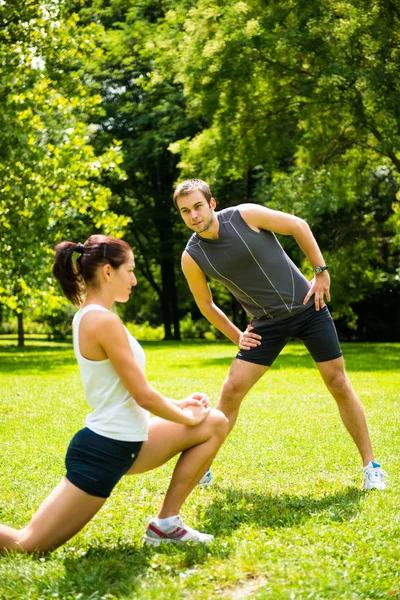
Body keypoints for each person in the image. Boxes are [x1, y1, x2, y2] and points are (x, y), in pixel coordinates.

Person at [0, 234, 228, 554]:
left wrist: (179, 404)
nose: (134, 280)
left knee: (214, 422)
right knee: (27, 546)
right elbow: (144, 397)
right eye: (130, 271)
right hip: (103, 452)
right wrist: (185, 415)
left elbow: (128, 389)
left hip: (130, 441)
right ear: (108, 271)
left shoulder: (94, 315)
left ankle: (166, 524)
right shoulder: (102, 321)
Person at [174, 179, 388, 491]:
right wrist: (236, 336)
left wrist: (320, 270)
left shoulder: (245, 215)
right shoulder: (191, 256)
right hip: (265, 324)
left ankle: (371, 467)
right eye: (185, 211)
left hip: (308, 307)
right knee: (231, 389)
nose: (193, 215)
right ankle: (202, 467)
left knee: (338, 382)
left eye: (197, 206)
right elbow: (205, 304)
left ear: (212, 203)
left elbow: (298, 225)